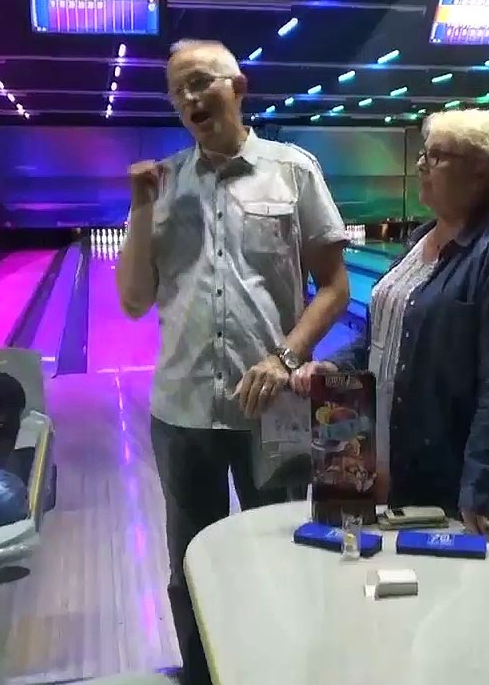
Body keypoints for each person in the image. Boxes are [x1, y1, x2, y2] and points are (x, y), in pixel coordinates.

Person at [115, 40, 350, 685]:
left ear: (237, 86)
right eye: (176, 90)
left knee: (278, 554)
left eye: (200, 83)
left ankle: (274, 671)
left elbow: (334, 287)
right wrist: (138, 209)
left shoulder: (294, 171)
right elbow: (133, 300)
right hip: (183, 412)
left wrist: (285, 355)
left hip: (272, 410)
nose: (189, 99)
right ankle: (201, 676)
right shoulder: (161, 185)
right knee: (190, 562)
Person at [292, 109, 489, 548]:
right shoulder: (420, 240)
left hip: (440, 476)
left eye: (437, 156)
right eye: (424, 154)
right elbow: (379, 341)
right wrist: (331, 364)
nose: (421, 165)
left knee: (435, 607)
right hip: (373, 457)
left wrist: (480, 493)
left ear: (480, 170)